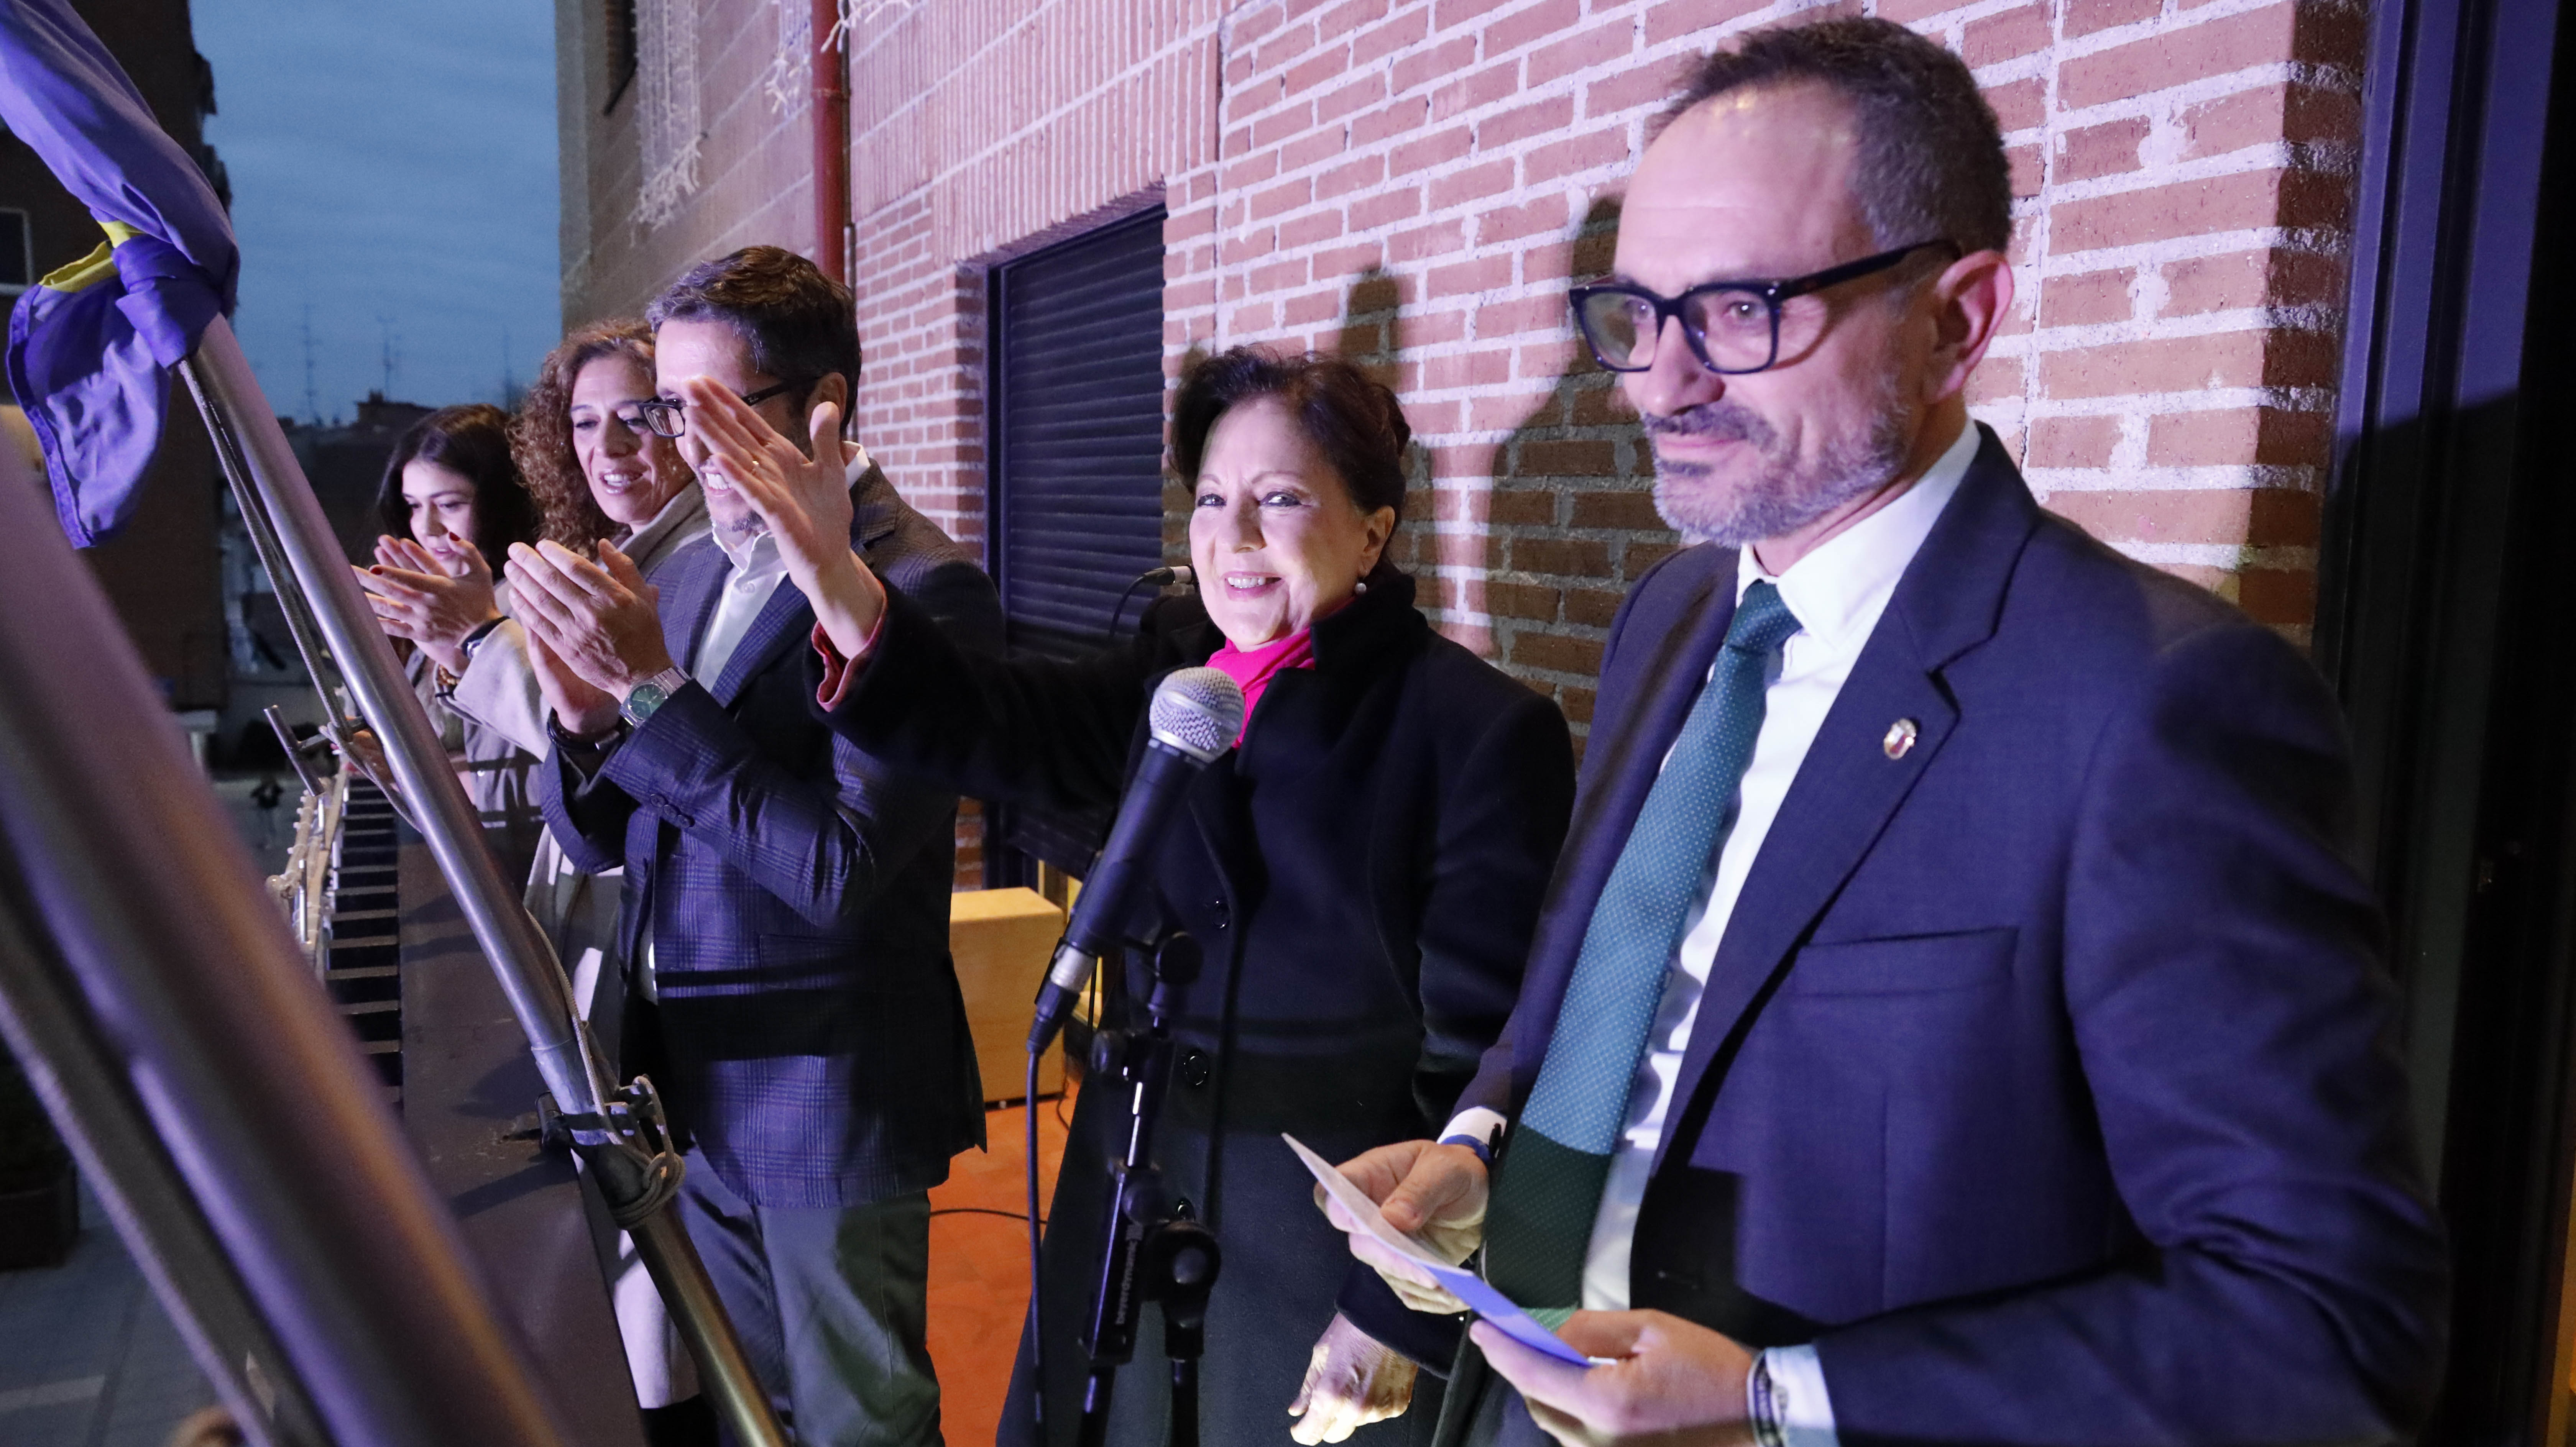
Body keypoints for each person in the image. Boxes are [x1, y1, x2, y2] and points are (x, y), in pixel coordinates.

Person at [1317, 19, 2449, 1447]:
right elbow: (1607, 980)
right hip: (1522, 1391)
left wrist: (1773, 1399)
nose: (1658, 383)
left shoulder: (2152, 703)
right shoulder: (1673, 611)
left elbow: (2327, 1321)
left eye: (1738, 310)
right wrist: (1484, 1146)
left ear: (1953, 321)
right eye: (1637, 313)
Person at [712, 344, 1576, 1446]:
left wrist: (1392, 1310)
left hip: (1323, 1242)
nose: (1235, 536)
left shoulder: (1476, 731)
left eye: (1282, 498)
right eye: (1212, 499)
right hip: (1132, 1196)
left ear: (1374, 531)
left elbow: (1487, 1059)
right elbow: (998, 724)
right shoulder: (1177, 676)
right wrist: (837, 576)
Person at [513, 245, 1004, 1447]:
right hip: (699, 1075)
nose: (683, 450)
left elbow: (841, 869)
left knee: (860, 1420)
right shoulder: (690, 571)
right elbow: (609, 835)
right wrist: (583, 723)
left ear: (823, 406)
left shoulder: (924, 586)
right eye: (667, 414)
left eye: (713, 412)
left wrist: (647, 696)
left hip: (826, 1091)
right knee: (753, 1412)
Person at [355, 402, 545, 875]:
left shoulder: (530, 598)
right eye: (414, 506)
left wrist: (410, 770)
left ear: (502, 499)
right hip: (463, 858)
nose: (427, 527)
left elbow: (531, 758)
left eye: (450, 504)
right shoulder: (435, 604)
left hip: (518, 861)